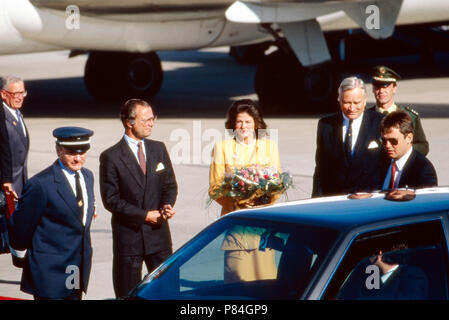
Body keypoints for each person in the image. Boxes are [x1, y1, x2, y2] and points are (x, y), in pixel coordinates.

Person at [99, 99, 178, 298]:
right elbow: (111, 199)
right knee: (128, 293)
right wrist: (144, 215)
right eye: (146, 120)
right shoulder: (111, 157)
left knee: (167, 291)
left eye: (153, 119)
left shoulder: (158, 149)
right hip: (129, 239)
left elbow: (169, 185)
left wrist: (167, 205)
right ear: (130, 122)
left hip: (158, 237)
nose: (151, 123)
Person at [8, 127, 95, 300]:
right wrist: (21, 258)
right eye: (71, 153)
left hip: (76, 270)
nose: (78, 158)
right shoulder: (41, 184)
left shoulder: (87, 176)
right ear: (58, 150)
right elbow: (20, 229)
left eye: (82, 152)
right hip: (49, 274)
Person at [209, 99, 281, 283]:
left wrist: (262, 200)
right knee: (237, 280)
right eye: (239, 121)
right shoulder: (222, 148)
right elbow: (215, 187)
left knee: (267, 282)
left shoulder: (269, 147)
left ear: (256, 123)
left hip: (264, 224)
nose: (243, 126)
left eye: (248, 121)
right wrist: (238, 202)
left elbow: (277, 184)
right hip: (237, 225)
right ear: (233, 124)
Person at [312, 76, 384, 197]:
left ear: (365, 100)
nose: (352, 108)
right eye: (346, 102)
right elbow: (321, 168)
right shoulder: (326, 125)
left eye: (357, 103)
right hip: (335, 200)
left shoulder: (380, 122)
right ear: (339, 100)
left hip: (369, 200)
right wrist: (316, 200)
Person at [0, 75, 30, 264]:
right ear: (4, 94)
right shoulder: (2, 116)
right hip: (7, 184)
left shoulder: (15, 113)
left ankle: (19, 261)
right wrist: (5, 180)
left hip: (19, 181)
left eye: (23, 92)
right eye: (16, 93)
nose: (20, 97)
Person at [368, 65, 429, 155]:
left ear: (394, 88)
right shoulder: (366, 116)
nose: (381, 91)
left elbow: (423, 146)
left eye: (385, 86)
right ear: (373, 89)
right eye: (377, 86)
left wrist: (403, 151)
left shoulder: (409, 116)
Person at [380, 110, 437, 190]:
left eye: (393, 141)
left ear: (409, 138)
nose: (387, 145)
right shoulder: (380, 162)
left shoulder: (423, 170)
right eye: (384, 140)